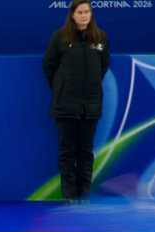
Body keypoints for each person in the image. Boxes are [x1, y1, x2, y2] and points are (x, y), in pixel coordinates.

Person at [42, 0, 110, 203]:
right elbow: (49, 66)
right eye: (80, 12)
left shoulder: (100, 37)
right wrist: (61, 88)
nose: (83, 16)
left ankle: (85, 193)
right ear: (72, 15)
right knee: (67, 151)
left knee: (86, 151)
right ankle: (69, 195)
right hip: (66, 105)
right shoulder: (60, 37)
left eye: (87, 12)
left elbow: (103, 66)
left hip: (90, 105)